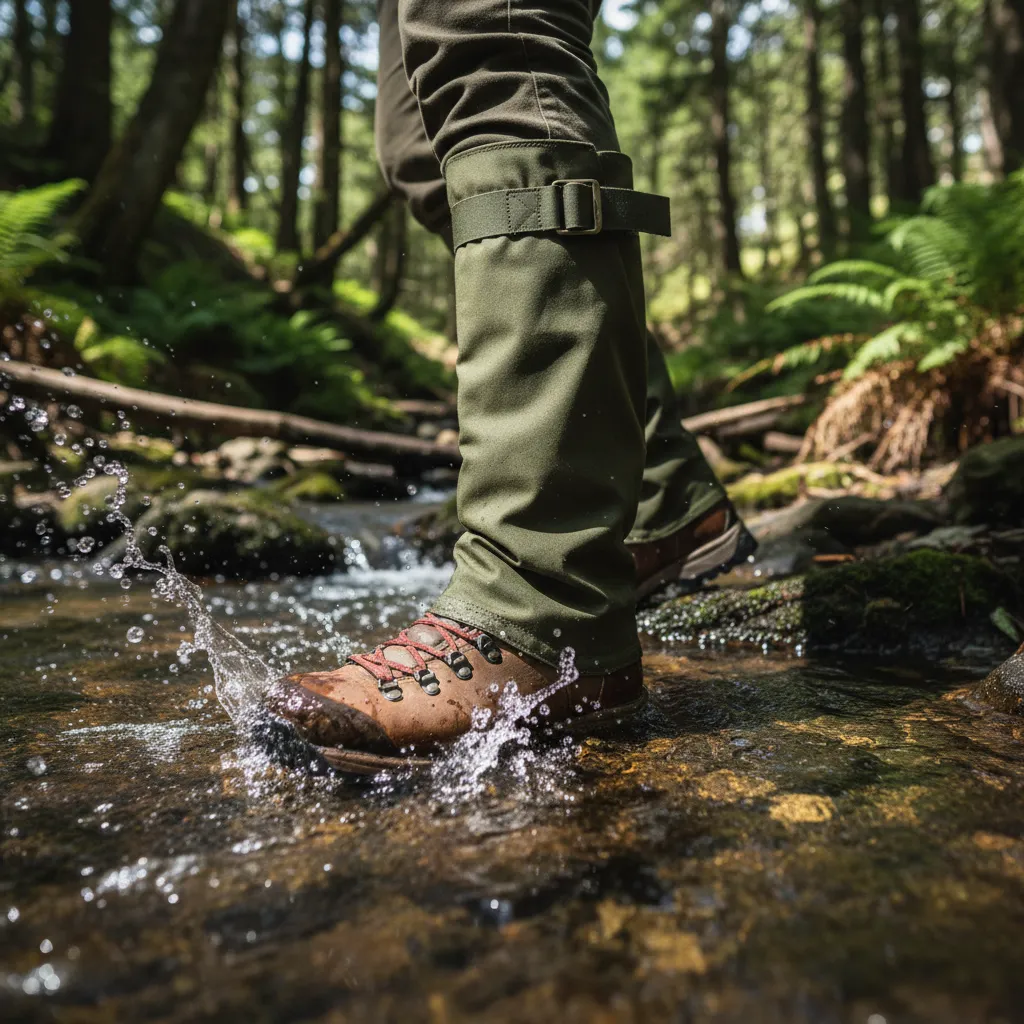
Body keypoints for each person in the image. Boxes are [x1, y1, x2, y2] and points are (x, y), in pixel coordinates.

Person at [267, 0, 755, 774]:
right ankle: (658, 498)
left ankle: (547, 604)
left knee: (496, 45)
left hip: (547, 611)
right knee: (420, 148)